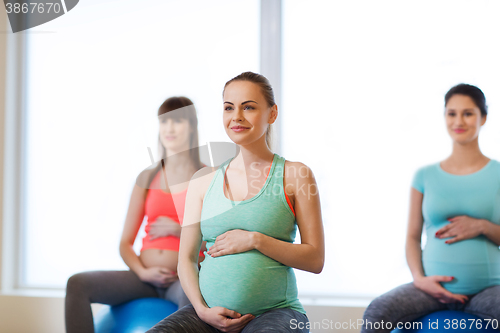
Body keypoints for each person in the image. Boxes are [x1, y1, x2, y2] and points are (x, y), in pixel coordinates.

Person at [146, 71, 325, 333]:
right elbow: (185, 259)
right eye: (229, 108)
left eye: (249, 107)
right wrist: (202, 310)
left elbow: (315, 259)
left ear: (272, 114)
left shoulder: (296, 175)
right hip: (207, 314)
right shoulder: (202, 180)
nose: (236, 117)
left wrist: (255, 239)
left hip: (274, 313)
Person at [361, 84, 500, 333]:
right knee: (377, 312)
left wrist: (483, 226)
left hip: (488, 288)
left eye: (468, 113)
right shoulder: (424, 176)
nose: (459, 120)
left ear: (484, 117)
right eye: (451, 113)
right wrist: (420, 280)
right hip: (431, 290)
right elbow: (413, 237)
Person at [65, 97, 205, 333]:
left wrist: (179, 230)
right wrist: (143, 272)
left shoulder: (206, 176)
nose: (169, 128)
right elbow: (125, 243)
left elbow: (218, 235)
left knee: (193, 302)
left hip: (184, 279)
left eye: (177, 121)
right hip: (144, 278)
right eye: (164, 121)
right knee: (77, 284)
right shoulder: (147, 178)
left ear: (191, 126)